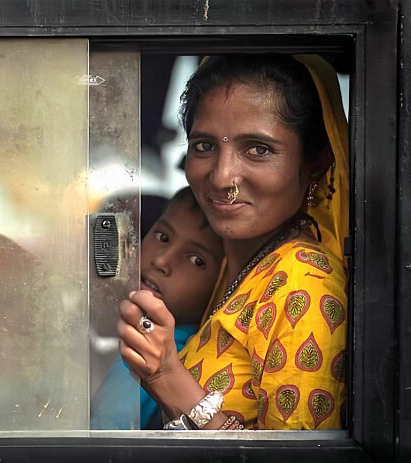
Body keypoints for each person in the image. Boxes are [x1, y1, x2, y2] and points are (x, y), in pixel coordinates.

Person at [117, 54, 349, 430]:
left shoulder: (304, 282)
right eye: (205, 146)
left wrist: (166, 377)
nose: (222, 177)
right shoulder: (237, 267)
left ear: (315, 164)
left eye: (258, 149)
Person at [91, 187, 224, 429]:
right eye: (163, 237)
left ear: (222, 284)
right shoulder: (124, 328)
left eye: (197, 260)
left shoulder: (153, 350)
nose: (162, 261)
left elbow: (106, 433)